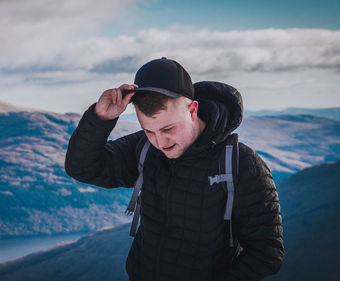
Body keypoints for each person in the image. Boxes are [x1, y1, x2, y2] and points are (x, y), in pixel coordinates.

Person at [65, 57, 284, 281]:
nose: (160, 142)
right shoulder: (145, 149)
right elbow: (82, 168)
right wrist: (100, 118)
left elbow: (267, 251)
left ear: (192, 110)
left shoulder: (241, 164)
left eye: (168, 128)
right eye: (149, 131)